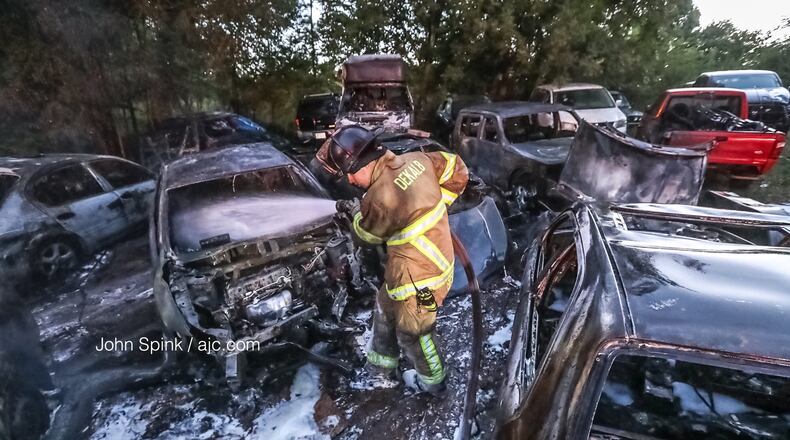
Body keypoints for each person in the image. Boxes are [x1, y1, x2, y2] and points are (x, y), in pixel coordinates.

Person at [315, 125, 468, 396]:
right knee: (384, 308)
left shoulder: (379, 198)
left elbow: (366, 236)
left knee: (415, 333)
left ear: (361, 165)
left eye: (350, 175)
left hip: (422, 280)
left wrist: (355, 214)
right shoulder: (418, 159)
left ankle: (434, 382)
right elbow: (457, 168)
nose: (350, 182)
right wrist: (437, 205)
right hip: (416, 268)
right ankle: (382, 367)